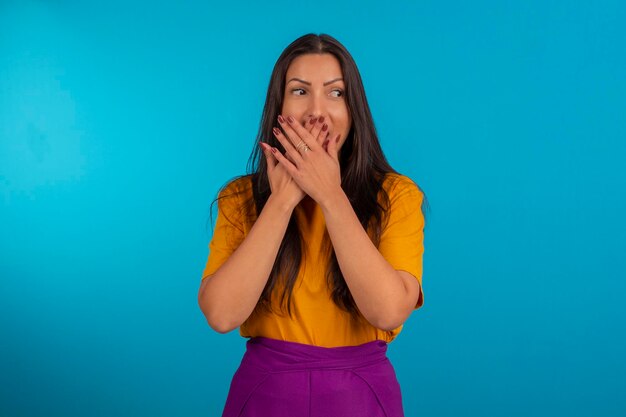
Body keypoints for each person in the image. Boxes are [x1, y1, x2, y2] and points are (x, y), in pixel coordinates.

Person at [198, 33, 428, 417]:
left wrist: (329, 194)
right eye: (300, 92)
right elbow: (221, 315)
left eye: (335, 94)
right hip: (264, 394)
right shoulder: (238, 199)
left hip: (361, 395)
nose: (317, 112)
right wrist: (283, 200)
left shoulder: (396, 196)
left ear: (354, 108)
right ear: (278, 107)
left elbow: (388, 312)